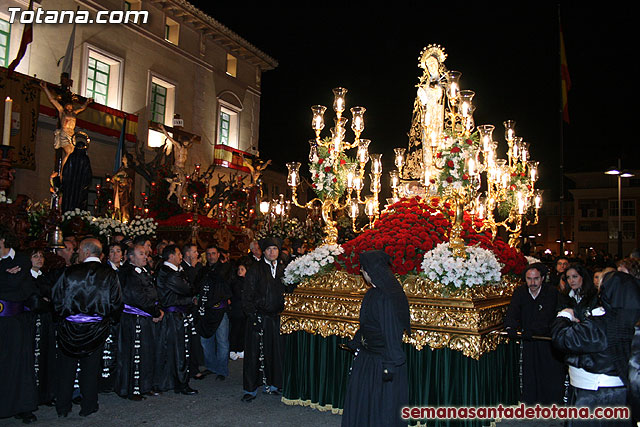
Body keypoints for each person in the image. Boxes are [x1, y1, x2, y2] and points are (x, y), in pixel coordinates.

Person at [553, 272, 640, 426]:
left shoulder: (601, 325)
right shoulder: (632, 323)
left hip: (594, 395)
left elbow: (563, 339)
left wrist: (564, 316)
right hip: (622, 395)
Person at [52, 238, 122, 417]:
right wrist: (108, 320)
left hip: (70, 327)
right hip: (96, 328)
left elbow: (57, 298)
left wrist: (64, 317)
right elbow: (116, 303)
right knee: (90, 368)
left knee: (66, 368)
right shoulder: (110, 274)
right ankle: (89, 405)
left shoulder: (70, 272)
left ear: (85, 251)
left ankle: (63, 407)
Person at [342, 250, 410, 427]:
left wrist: (389, 366)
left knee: (382, 406)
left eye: (363, 270)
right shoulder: (379, 292)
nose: (362, 274)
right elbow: (368, 325)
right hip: (370, 358)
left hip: (381, 362)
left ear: (370, 271)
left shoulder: (384, 296)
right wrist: (356, 342)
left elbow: (391, 333)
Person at [503, 263, 565, 405]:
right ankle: (531, 402)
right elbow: (513, 311)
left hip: (546, 339)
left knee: (548, 371)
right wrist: (510, 327)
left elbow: (548, 315)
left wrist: (533, 330)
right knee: (529, 371)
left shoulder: (551, 292)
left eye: (536, 279)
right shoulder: (520, 292)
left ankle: (551, 403)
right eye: (529, 279)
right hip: (528, 339)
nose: (532, 283)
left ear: (542, 278)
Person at [241, 237, 288, 402]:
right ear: (263, 251)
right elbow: (246, 295)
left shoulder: (283, 269)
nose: (272, 252)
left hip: (276, 318)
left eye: (275, 249)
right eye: (268, 249)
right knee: (254, 354)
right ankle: (250, 389)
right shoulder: (255, 270)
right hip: (259, 317)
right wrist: (253, 316)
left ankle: (275, 384)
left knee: (276, 352)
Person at [0, 227, 39, 423]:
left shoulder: (22, 260)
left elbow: (23, 290)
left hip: (15, 322)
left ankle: (22, 406)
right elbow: (11, 284)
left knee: (19, 365)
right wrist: (7, 277)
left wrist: (6, 281)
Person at [115, 245, 163, 400]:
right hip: (134, 319)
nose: (145, 256)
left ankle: (145, 385)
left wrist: (157, 308)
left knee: (147, 352)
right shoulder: (128, 273)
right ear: (130, 257)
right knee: (135, 354)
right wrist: (154, 311)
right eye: (141, 254)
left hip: (145, 317)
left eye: (145, 254)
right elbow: (137, 297)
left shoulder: (143, 271)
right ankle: (133, 388)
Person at [154, 244, 198, 395]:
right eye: (179, 254)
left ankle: (171, 381)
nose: (181, 257)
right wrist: (190, 298)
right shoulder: (169, 273)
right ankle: (181, 383)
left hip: (174, 315)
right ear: (171, 256)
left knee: (171, 350)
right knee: (180, 350)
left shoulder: (171, 272)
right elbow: (189, 289)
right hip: (174, 317)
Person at [195, 245, 232, 381]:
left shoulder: (225, 269)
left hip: (220, 309)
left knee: (222, 341)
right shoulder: (203, 270)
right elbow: (197, 286)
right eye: (208, 254)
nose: (211, 256)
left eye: (213, 253)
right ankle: (211, 366)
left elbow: (227, 285)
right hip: (205, 310)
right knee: (206, 340)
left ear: (218, 255)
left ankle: (222, 369)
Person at [229, 263, 247, 360]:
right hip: (237, 310)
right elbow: (238, 294)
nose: (240, 271)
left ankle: (240, 349)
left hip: (243, 310)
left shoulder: (247, 281)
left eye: (242, 269)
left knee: (242, 331)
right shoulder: (235, 282)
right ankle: (232, 350)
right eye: (239, 269)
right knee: (235, 330)